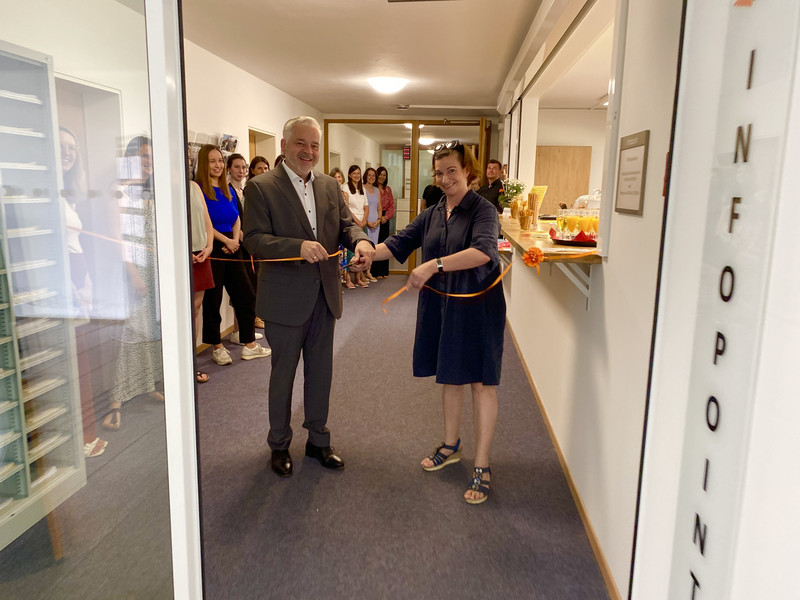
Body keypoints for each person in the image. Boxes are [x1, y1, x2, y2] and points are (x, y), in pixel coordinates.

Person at [368, 140, 506, 504]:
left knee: (480, 382)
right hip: (443, 307)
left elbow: (484, 252)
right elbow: (399, 242)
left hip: (477, 306)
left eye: (452, 172)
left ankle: (483, 463)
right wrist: (366, 253)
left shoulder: (483, 209)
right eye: (440, 172)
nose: (445, 179)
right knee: (450, 374)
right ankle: (451, 444)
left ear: (469, 173)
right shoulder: (433, 211)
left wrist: (434, 264)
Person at [243, 116, 375, 478]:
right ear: (284, 146)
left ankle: (318, 440)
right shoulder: (260, 187)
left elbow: (347, 224)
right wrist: (297, 247)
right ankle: (279, 444)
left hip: (325, 296)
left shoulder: (331, 188)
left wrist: (361, 240)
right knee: (282, 375)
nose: (309, 151)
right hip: (284, 301)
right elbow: (253, 239)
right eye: (301, 143)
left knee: (321, 374)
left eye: (315, 145)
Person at [105, 136, 164, 430]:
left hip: (155, 267)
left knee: (152, 329)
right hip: (135, 267)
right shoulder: (119, 192)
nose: (148, 162)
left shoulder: (151, 190)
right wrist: (132, 272)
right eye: (143, 157)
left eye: (151, 157)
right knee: (132, 330)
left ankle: (146, 383)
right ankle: (116, 399)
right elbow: (118, 238)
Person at [197, 144, 270, 365]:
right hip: (213, 247)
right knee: (213, 300)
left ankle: (249, 344)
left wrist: (236, 238)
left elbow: (237, 216)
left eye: (220, 160)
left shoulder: (228, 189)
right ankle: (216, 346)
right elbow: (204, 223)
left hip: (234, 246)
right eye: (212, 161)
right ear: (203, 164)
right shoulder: (198, 189)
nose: (218, 165)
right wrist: (226, 240)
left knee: (245, 295)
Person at [227, 153, 265, 345]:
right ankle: (238, 330)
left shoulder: (243, 190)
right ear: (229, 169)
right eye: (237, 167)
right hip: (236, 244)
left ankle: (241, 330)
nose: (241, 171)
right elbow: (234, 220)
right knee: (241, 291)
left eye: (243, 167)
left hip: (247, 243)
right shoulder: (228, 191)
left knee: (246, 290)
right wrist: (241, 237)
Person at [188, 174, 215, 384]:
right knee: (180, 313)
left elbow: (207, 222)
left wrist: (209, 247)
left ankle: (192, 362)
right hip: (180, 255)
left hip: (201, 254)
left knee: (195, 310)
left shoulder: (195, 186)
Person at [330, 167, 355, 289]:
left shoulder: (344, 193)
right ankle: (337, 282)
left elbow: (346, 211)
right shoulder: (328, 192)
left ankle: (347, 278)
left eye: (339, 177)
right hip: (333, 229)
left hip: (343, 227)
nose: (337, 179)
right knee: (336, 257)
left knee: (344, 256)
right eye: (335, 177)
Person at [345, 165, 370, 287]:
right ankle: (348, 279)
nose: (356, 176)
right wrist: (357, 222)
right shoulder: (345, 187)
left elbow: (366, 206)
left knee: (361, 251)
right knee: (351, 252)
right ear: (349, 175)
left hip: (362, 222)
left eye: (358, 173)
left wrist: (364, 220)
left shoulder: (362, 189)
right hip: (352, 222)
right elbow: (347, 208)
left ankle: (359, 278)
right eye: (354, 173)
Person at [372, 166, 395, 279]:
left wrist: (386, 217)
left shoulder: (388, 189)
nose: (382, 177)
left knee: (385, 244)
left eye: (384, 175)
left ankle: (383, 271)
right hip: (375, 218)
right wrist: (379, 217)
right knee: (375, 244)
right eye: (380, 174)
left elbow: (392, 205)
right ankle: (375, 272)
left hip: (385, 219)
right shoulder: (373, 188)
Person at [361, 167, 380, 282]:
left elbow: (380, 207)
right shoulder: (362, 189)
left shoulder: (377, 190)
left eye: (373, 175)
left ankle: (368, 271)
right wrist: (367, 222)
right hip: (365, 223)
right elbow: (362, 206)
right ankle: (363, 272)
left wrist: (378, 220)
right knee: (365, 248)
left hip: (376, 224)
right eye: (369, 175)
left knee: (373, 247)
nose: (371, 177)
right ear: (365, 176)